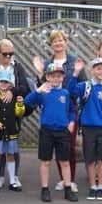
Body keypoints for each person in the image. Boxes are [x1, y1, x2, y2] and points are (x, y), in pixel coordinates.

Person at [32, 30, 86, 193]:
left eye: (60, 40)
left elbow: (82, 84)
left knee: (68, 146)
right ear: (51, 44)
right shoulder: (49, 62)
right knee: (56, 147)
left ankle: (71, 180)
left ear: (66, 42)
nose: (58, 43)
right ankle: (63, 180)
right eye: (54, 41)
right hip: (52, 109)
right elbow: (43, 86)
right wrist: (40, 73)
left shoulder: (73, 61)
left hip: (69, 109)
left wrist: (74, 114)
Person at [25, 64, 78, 203]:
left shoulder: (65, 93)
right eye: (53, 75)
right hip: (47, 131)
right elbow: (27, 102)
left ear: (63, 77)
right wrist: (38, 90)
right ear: (47, 77)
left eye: (59, 76)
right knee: (45, 161)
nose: (56, 78)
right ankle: (45, 189)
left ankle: (68, 188)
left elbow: (72, 110)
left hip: (62, 132)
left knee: (65, 162)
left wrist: (72, 122)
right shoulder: (43, 92)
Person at [0, 38, 29, 188]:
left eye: (11, 54)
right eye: (5, 54)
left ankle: (14, 176)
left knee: (12, 147)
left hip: (13, 110)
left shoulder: (17, 68)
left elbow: (25, 87)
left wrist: (11, 91)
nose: (8, 57)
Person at [67, 58, 102, 201]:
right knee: (90, 159)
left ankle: (101, 187)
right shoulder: (85, 86)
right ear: (92, 70)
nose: (101, 71)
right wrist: (75, 73)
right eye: (98, 68)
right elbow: (70, 90)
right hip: (88, 129)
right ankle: (92, 187)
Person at [0, 70, 26, 192]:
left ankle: (12, 180)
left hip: (12, 130)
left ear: (10, 84)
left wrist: (19, 104)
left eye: (6, 82)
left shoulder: (14, 97)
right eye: (1, 81)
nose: (3, 84)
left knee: (11, 155)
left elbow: (20, 113)